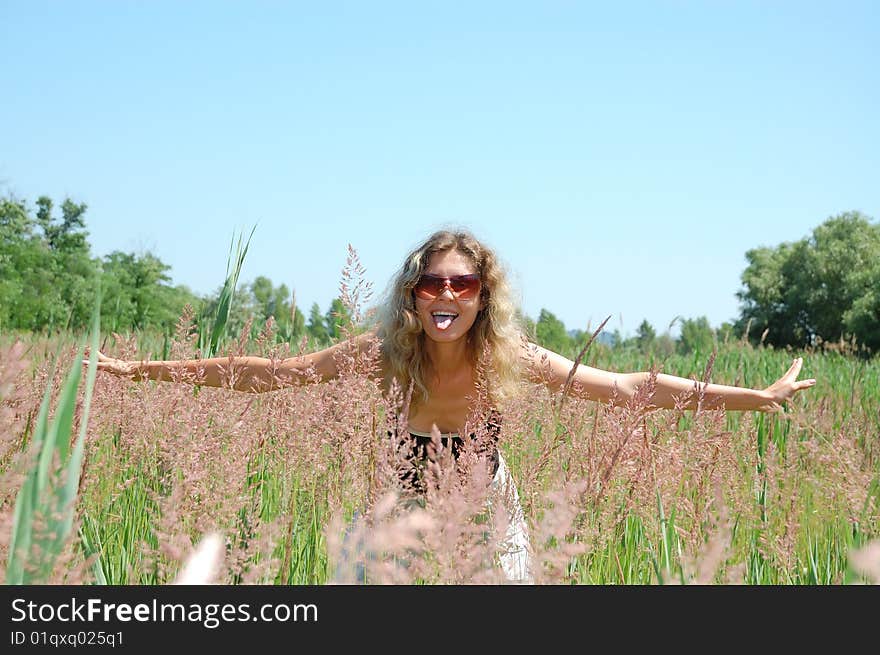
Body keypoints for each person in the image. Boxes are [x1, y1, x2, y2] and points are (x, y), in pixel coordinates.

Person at [90, 229, 816, 583]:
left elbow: (632, 387)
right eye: (431, 283)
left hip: (488, 501)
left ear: (482, 295)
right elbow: (265, 374)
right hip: (399, 503)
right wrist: (143, 370)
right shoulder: (377, 358)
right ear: (413, 295)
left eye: (462, 283)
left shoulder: (513, 359)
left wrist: (758, 396)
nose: (445, 295)